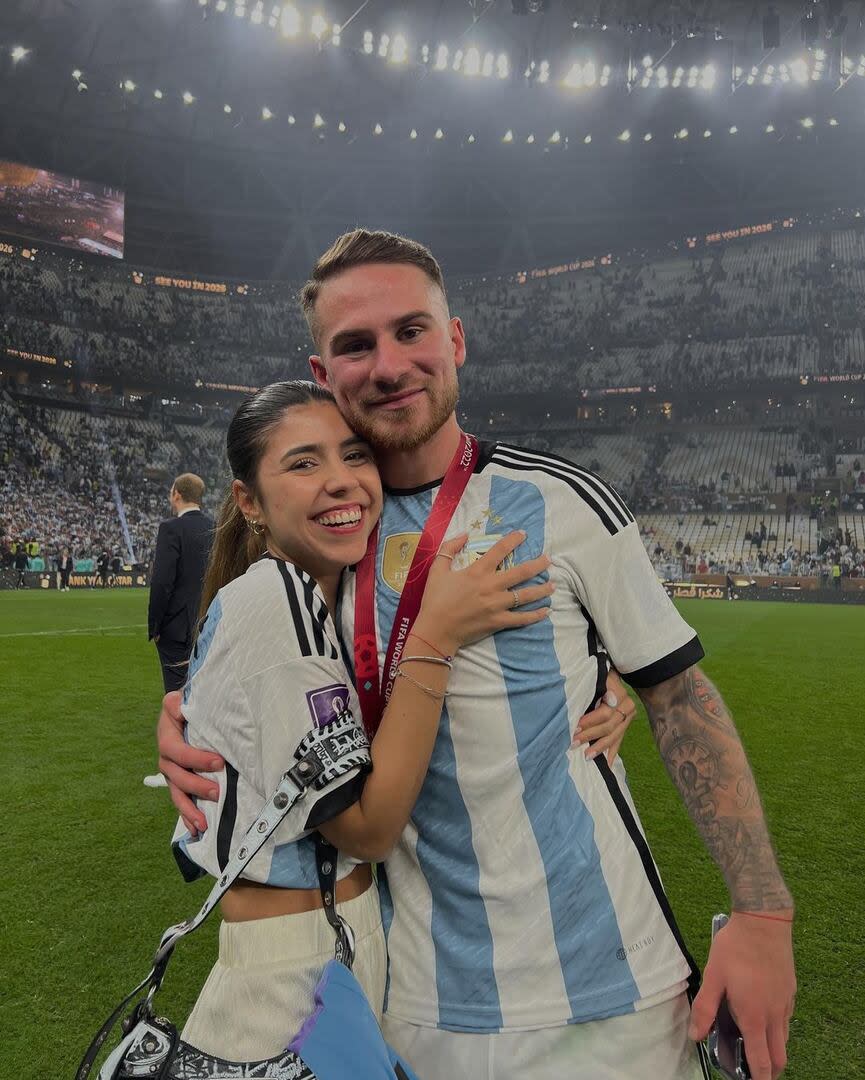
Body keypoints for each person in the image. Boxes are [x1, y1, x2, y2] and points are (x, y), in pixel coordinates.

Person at [159, 230, 794, 1080]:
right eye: (355, 344)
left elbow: (677, 696)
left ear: (453, 340)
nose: (388, 365)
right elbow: (273, 681)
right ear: (324, 374)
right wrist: (187, 726)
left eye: (411, 331)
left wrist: (761, 913)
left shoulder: (559, 501)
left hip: (605, 993)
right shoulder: (330, 539)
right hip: (405, 995)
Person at [171, 380, 555, 1060]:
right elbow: (368, 828)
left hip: (334, 938)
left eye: (353, 456)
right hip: (291, 967)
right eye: (303, 463)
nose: (341, 482)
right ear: (248, 502)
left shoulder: (322, 596)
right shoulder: (274, 600)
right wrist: (434, 637)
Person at [148, 473, 214, 692]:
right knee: (204, 691)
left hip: (177, 628)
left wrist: (155, 625)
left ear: (176, 494)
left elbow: (162, 583)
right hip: (210, 622)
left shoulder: (171, 529)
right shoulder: (215, 528)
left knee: (176, 694)